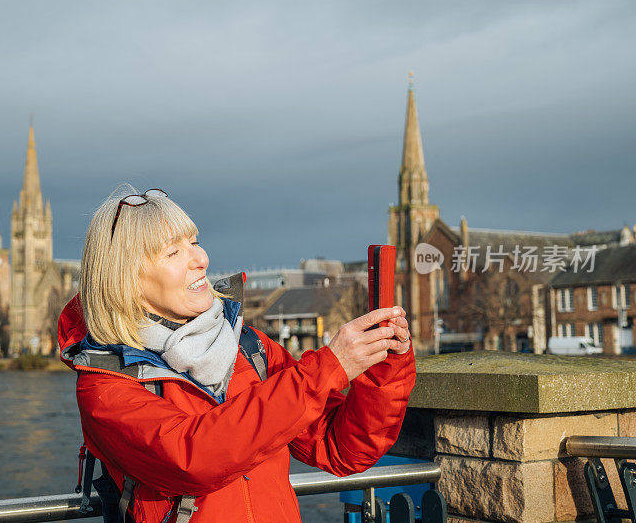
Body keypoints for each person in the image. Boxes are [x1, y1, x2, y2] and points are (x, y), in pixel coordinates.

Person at [58, 186, 415, 523]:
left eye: (194, 242)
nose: (200, 258)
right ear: (127, 281)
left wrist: (384, 364)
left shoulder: (249, 347)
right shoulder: (106, 385)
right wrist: (329, 367)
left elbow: (340, 447)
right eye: (173, 252)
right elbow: (194, 458)